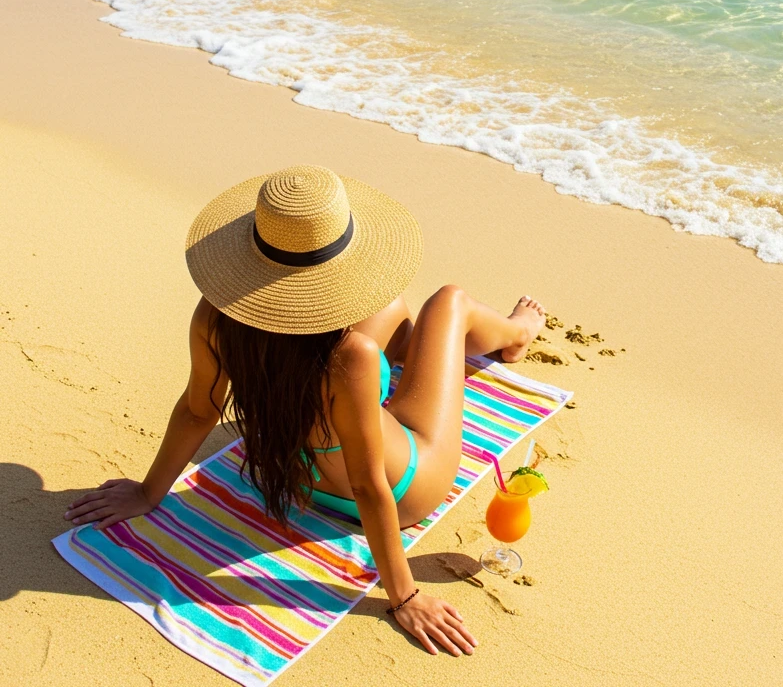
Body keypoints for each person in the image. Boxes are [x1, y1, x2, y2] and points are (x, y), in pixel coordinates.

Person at [64, 164, 546, 657]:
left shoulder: (214, 318)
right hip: (405, 488)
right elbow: (367, 483)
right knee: (448, 302)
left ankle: (416, 353)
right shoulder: (350, 358)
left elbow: (197, 412)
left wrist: (149, 493)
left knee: (392, 308)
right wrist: (406, 595)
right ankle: (517, 334)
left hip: (299, 482)